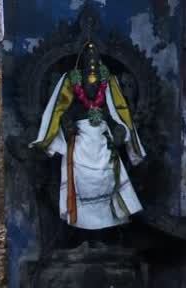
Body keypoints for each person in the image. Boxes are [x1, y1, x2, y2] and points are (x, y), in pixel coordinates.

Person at [31, 40, 145, 235]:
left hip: (102, 142)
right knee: (81, 180)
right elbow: (62, 112)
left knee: (108, 176)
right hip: (80, 143)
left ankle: (106, 233)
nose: (92, 88)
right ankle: (81, 233)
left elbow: (115, 114)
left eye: (95, 56)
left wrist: (118, 129)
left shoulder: (106, 86)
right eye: (88, 56)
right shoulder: (73, 90)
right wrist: (67, 124)